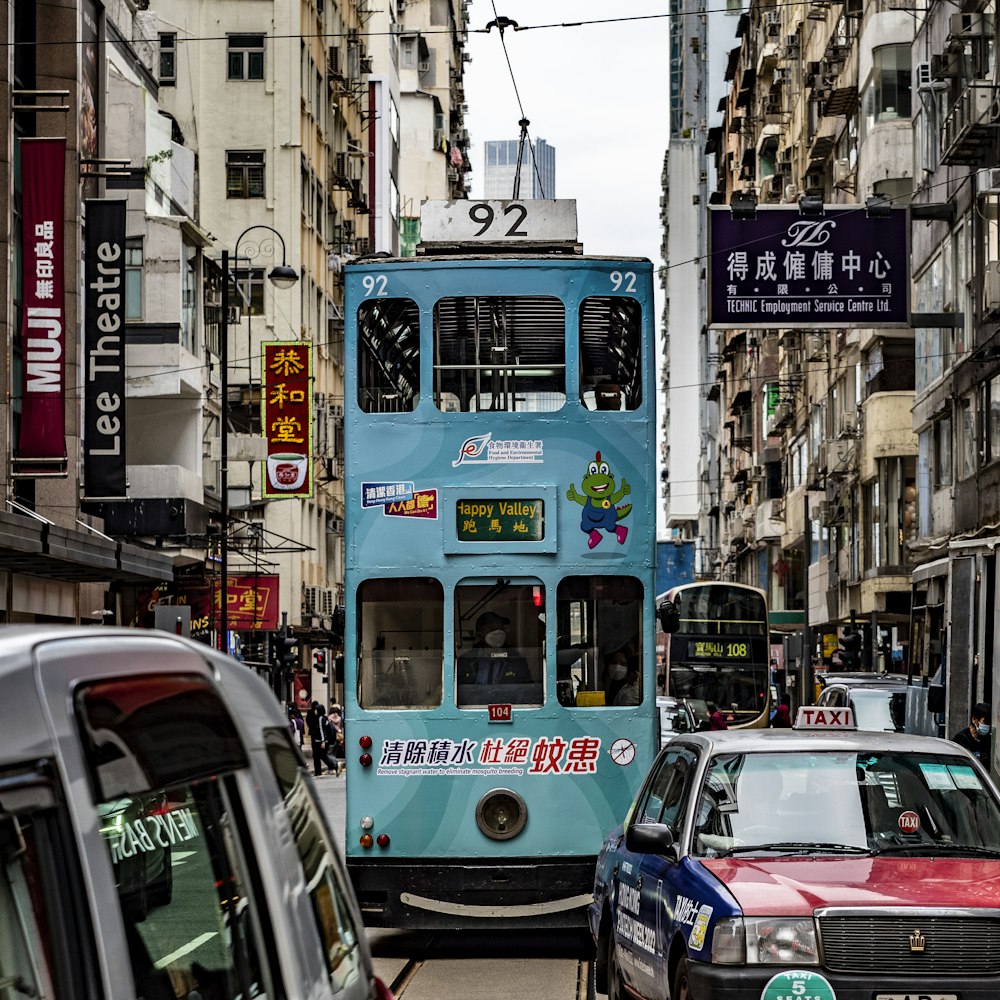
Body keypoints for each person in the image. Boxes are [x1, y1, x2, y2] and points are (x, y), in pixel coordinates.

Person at [457, 611, 531, 684]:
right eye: (492, 629)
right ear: (479, 635)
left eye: (500, 628)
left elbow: (526, 690)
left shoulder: (516, 660)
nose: (498, 633)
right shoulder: (466, 661)